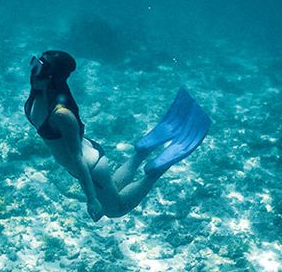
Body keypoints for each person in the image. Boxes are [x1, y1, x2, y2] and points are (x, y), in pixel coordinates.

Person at [24, 51, 210, 221]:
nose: (34, 72)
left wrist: (91, 199)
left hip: (90, 167)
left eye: (39, 68)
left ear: (50, 77)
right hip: (91, 159)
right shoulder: (37, 98)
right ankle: (141, 152)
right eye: (35, 65)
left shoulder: (60, 114)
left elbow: (77, 158)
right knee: (110, 188)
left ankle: (154, 172)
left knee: (114, 209)